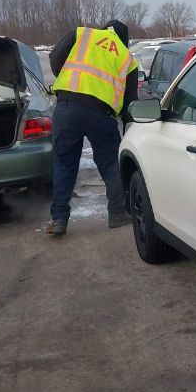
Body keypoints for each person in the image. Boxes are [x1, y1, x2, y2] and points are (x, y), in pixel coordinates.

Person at [47, 20, 139, 236]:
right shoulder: (128, 58)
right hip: (101, 114)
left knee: (64, 163)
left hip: (67, 107)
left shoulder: (82, 34)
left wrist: (69, 79)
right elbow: (130, 105)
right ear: (124, 40)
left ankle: (59, 219)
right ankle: (117, 213)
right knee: (110, 164)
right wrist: (128, 133)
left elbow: (54, 59)